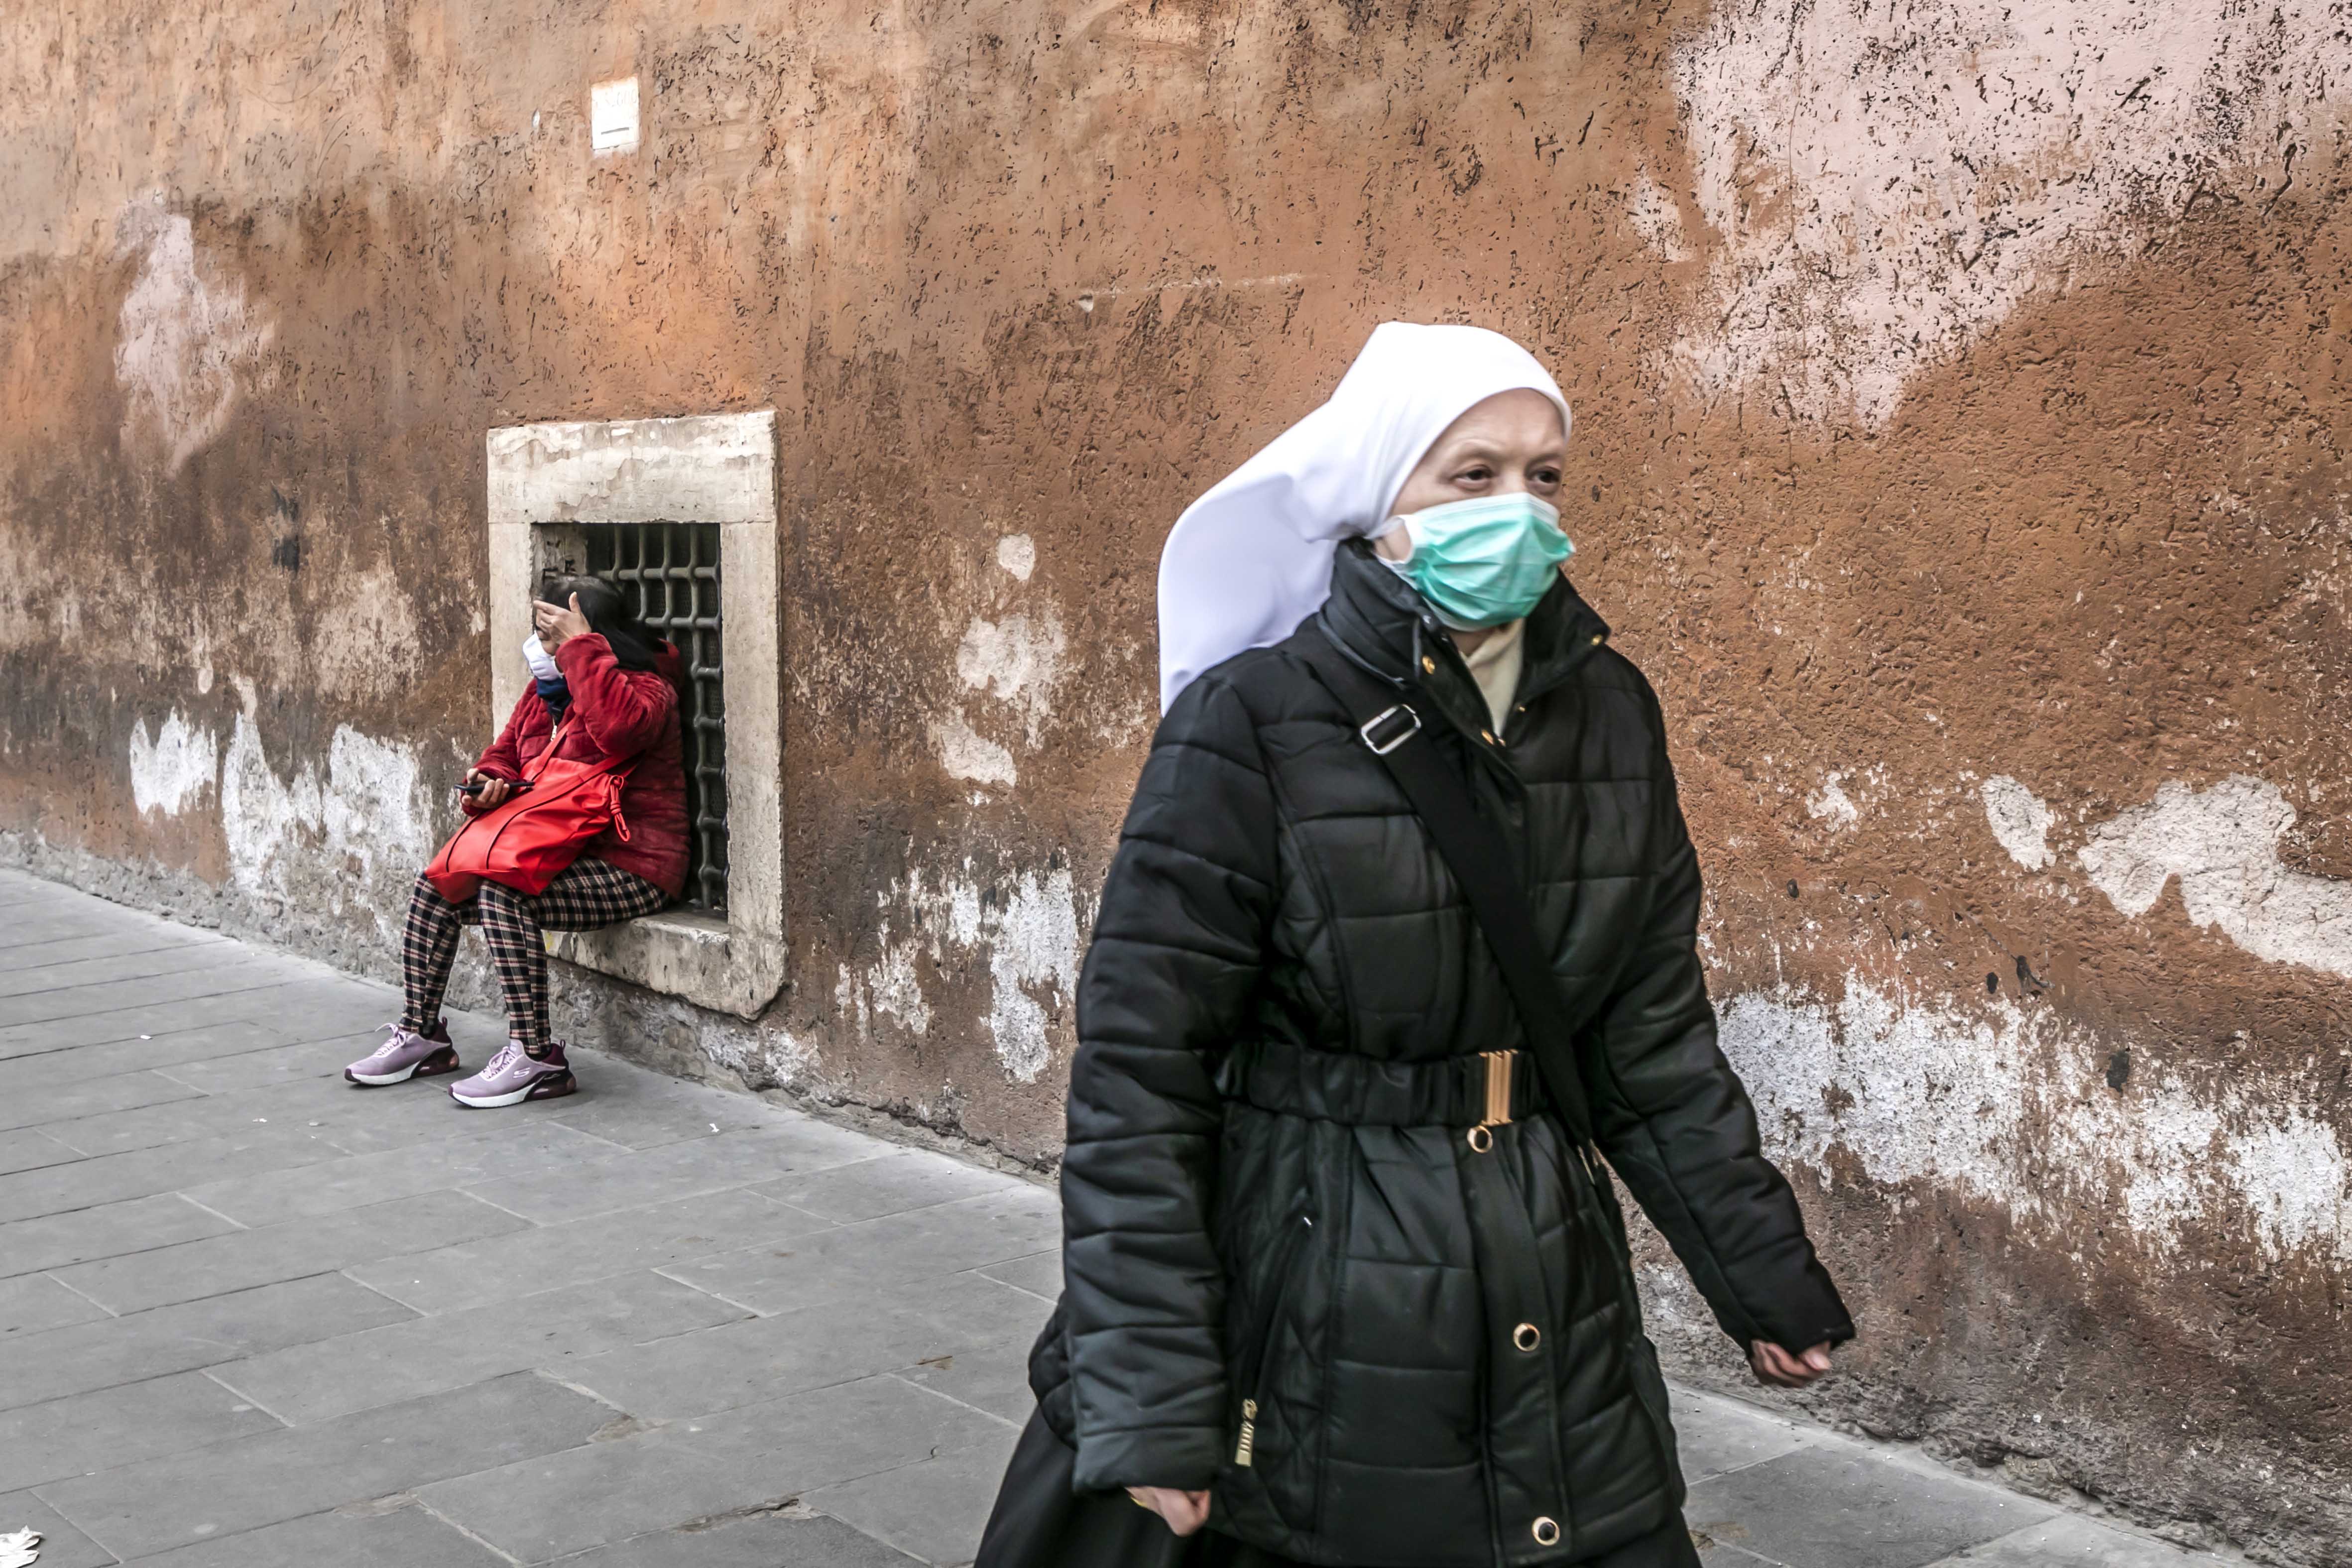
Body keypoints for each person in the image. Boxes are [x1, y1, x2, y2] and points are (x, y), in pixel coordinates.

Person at [979, 323, 1853, 1568]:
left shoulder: (1609, 710)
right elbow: (1140, 1082)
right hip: (1316, 1295)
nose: (1516, 508)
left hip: (1552, 1281)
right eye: (1470, 473)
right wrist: (1153, 1395)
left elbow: (1645, 1028)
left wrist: (1760, 1271)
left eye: (1542, 475)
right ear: (1376, 497)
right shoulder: (1249, 724)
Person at [343, 577, 690, 1107]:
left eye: (551, 633)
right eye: (541, 632)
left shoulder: (646, 687)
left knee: (503, 892)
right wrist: (487, 783)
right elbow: (504, 752)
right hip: (551, 846)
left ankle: (536, 1057)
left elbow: (622, 731)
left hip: (631, 863)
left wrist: (579, 649)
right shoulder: (545, 691)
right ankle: (422, 1036)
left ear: (590, 633)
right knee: (437, 886)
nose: (541, 646)